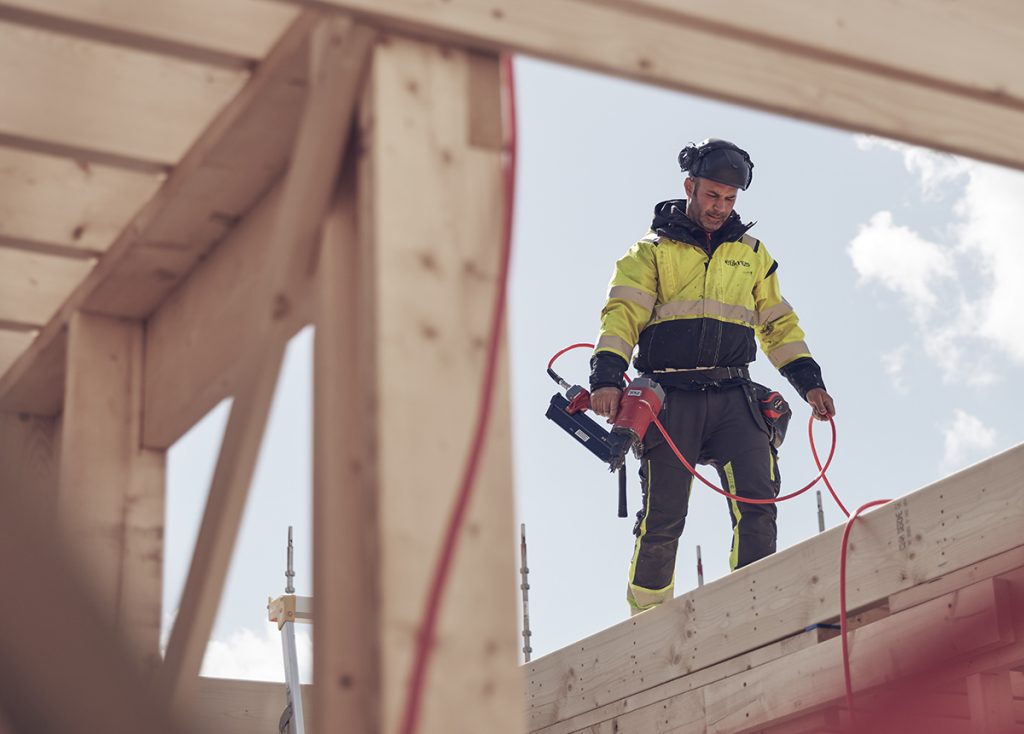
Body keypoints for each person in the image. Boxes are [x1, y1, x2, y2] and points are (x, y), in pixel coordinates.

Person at [589, 138, 836, 614]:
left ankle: (753, 613)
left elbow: (779, 324)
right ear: (690, 187)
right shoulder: (650, 252)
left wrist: (810, 383)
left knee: (758, 506)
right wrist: (606, 376)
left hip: (734, 395)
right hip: (669, 397)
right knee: (663, 519)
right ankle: (647, 623)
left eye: (730, 199)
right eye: (711, 196)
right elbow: (621, 316)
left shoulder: (753, 254)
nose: (720, 207)